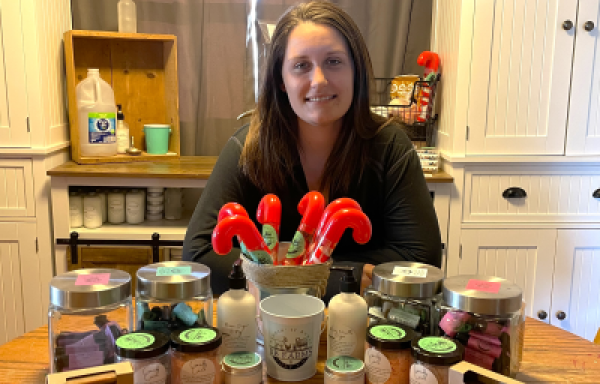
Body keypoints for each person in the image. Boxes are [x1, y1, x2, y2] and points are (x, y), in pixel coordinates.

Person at [183, 0, 441, 300]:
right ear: (281, 79)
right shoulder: (247, 147)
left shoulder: (391, 147)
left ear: (356, 71)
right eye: (301, 65)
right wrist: (352, 278)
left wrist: (272, 278)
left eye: (334, 61)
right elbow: (199, 255)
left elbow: (421, 263)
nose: (319, 80)